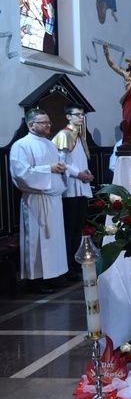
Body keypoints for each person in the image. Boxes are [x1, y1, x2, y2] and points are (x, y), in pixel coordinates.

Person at [10, 109, 69, 294]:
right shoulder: (21, 145)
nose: (48, 126)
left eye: (49, 123)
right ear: (31, 124)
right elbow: (21, 174)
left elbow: (56, 166)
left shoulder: (50, 145)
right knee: (37, 240)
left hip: (53, 199)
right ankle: (36, 280)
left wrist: (60, 168)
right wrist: (49, 169)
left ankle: (54, 275)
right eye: (44, 123)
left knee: (55, 240)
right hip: (36, 200)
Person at [52, 104, 94, 282]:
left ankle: (77, 264)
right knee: (70, 230)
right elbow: (61, 162)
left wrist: (88, 173)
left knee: (79, 229)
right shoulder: (63, 135)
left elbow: (80, 159)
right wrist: (79, 174)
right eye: (77, 115)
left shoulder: (80, 136)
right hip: (70, 189)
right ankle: (69, 267)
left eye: (82, 115)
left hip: (82, 187)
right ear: (68, 117)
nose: (81, 117)